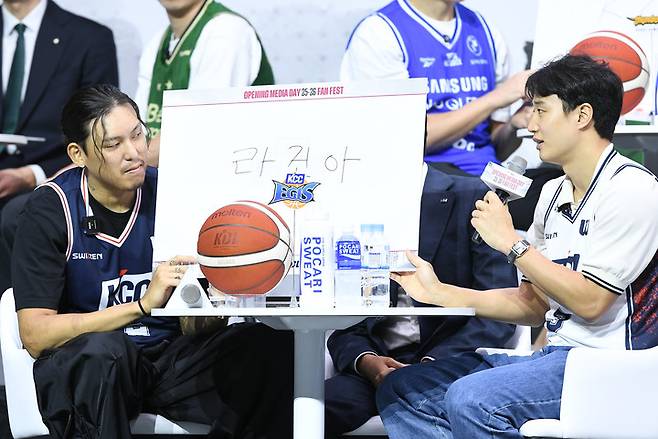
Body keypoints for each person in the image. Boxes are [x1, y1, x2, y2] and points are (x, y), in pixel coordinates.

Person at [376, 54, 658, 438]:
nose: (530, 124)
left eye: (541, 110)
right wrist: (440, 292)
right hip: (554, 359)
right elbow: (532, 305)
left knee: (471, 399)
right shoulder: (553, 193)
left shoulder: (631, 190)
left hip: (609, 368)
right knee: (404, 389)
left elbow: (591, 301)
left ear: (582, 116)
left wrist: (512, 243)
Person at [12, 84, 292, 439]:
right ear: (78, 154)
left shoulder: (172, 192)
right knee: (105, 353)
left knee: (269, 347)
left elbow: (193, 327)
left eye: (137, 135)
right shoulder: (51, 209)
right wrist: (142, 305)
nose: (134, 153)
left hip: (167, 359)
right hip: (90, 367)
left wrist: (216, 296)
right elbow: (35, 335)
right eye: (113, 145)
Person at [324, 165, 518, 436]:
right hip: (377, 366)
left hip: (452, 362)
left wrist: (432, 364)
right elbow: (341, 316)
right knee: (307, 409)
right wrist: (367, 361)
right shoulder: (356, 202)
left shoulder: (473, 196)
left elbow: (499, 309)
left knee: (454, 404)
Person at [0, 0, 118, 292]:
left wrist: (33, 175)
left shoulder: (89, 38)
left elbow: (98, 135)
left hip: (53, 174)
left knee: (17, 215)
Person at [341, 0, 532, 176]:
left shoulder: (485, 29)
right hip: (420, 179)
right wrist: (494, 99)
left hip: (484, 178)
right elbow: (401, 140)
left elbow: (494, 146)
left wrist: (513, 126)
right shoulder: (378, 33)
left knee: (542, 185)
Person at [135, 0, 274, 166]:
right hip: (171, 172)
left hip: (229, 172)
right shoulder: (158, 42)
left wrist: (129, 163)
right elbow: (137, 127)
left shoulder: (227, 30)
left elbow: (197, 128)